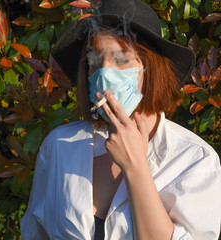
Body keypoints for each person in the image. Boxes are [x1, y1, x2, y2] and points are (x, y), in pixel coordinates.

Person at [20, 0, 221, 239]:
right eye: (95, 61)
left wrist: (135, 166)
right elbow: (35, 231)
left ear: (151, 69)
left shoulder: (194, 160)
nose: (105, 73)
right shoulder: (59, 147)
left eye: (122, 60)